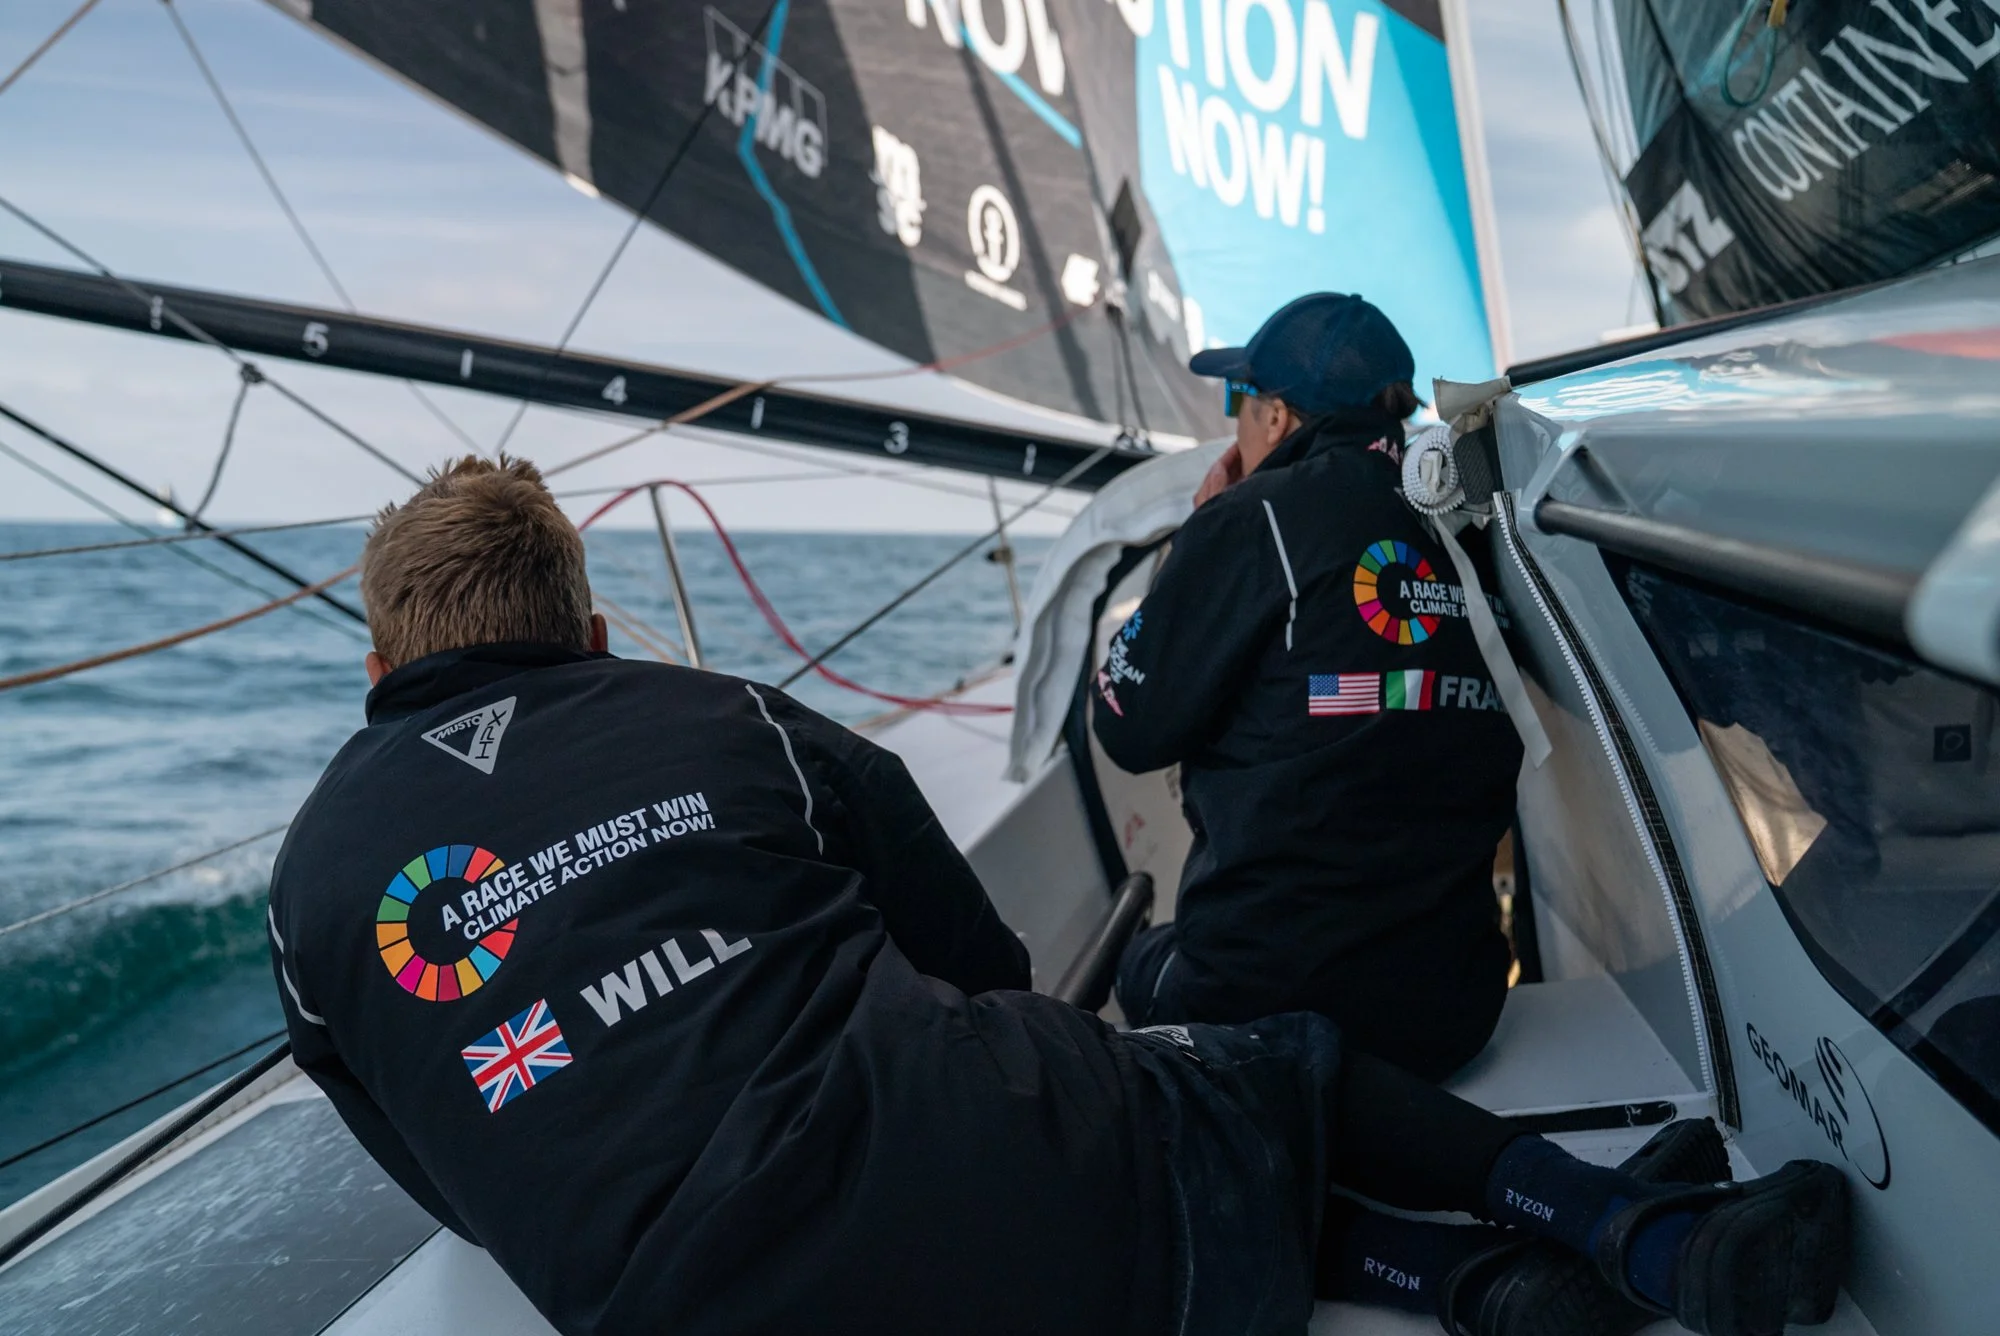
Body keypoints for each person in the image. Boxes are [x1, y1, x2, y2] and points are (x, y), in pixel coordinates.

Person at [269, 456, 1850, 1336]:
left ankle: (1474, 1288)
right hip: (1061, 1200)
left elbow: (452, 1182)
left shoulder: (306, 895)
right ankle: (1625, 1232)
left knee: (1097, 1181)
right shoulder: (730, 719)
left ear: (378, 666)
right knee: (1245, 1074)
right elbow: (991, 966)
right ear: (596, 631)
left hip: (698, 1309)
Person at [1093, 293, 1521, 1080]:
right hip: (1453, 1010)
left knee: (1135, 957)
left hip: (1260, 1013)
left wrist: (1197, 545)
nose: (1236, 424)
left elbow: (1129, 727)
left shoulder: (1252, 520)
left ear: (1278, 419)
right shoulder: (1463, 527)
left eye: (1240, 400)